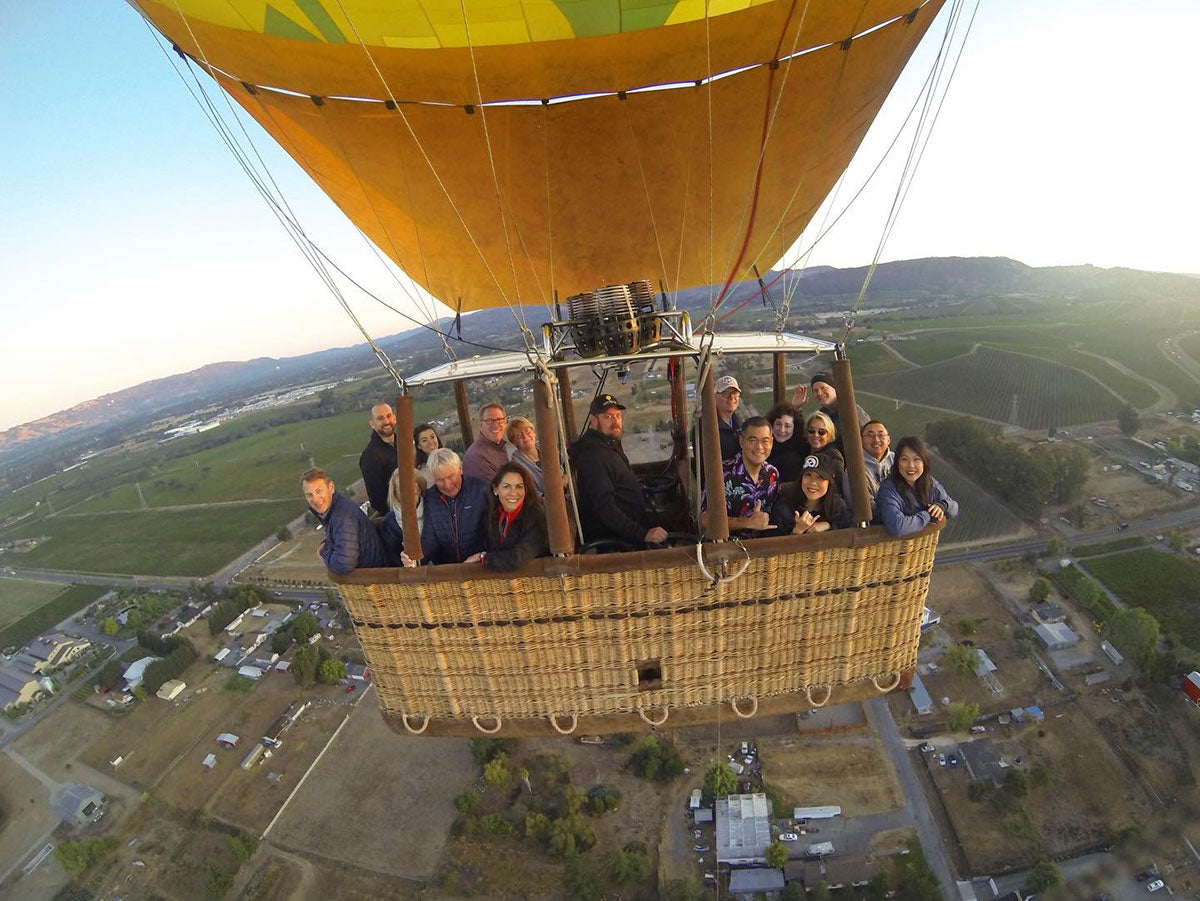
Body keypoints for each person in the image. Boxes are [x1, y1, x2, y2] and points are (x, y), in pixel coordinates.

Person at [568, 393, 668, 548]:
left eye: (618, 416)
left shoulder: (607, 445)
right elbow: (605, 509)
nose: (615, 422)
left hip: (630, 529)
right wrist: (643, 534)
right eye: (608, 417)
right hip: (618, 542)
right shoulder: (594, 456)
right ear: (593, 421)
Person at [301, 468, 387, 575]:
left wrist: (324, 553)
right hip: (371, 573)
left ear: (331, 487)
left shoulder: (343, 518)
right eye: (309, 495)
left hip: (372, 580)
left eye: (319, 491)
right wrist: (327, 542)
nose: (315, 499)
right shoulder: (335, 510)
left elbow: (343, 565)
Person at [719, 416, 793, 538]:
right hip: (731, 551)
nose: (759, 447)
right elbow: (706, 520)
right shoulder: (722, 474)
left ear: (771, 442)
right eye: (753, 440)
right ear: (741, 441)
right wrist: (747, 522)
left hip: (767, 548)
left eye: (765, 441)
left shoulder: (772, 474)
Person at [876, 436, 959, 538]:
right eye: (905, 459)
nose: (911, 465)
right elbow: (897, 527)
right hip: (891, 550)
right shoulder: (888, 489)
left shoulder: (929, 482)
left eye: (917, 459)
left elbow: (954, 507)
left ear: (924, 462)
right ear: (897, 463)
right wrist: (928, 515)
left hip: (922, 550)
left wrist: (942, 506)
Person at [420, 448, 489, 564]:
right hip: (448, 571)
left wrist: (484, 556)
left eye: (451, 476)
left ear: (460, 469)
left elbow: (494, 532)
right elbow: (429, 540)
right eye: (440, 480)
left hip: (480, 566)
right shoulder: (430, 498)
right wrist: (416, 561)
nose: (447, 485)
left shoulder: (481, 490)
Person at [479, 463, 549, 571]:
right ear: (495, 489)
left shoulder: (537, 517)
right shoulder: (491, 516)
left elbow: (518, 559)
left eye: (519, 487)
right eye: (506, 487)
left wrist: (483, 557)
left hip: (536, 583)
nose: (513, 493)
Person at [793, 372, 868, 455]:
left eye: (823, 388)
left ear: (835, 388)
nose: (819, 393)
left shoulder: (852, 411)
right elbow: (805, 437)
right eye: (815, 390)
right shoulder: (821, 414)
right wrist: (796, 409)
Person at [841, 420, 894, 517]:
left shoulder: (898, 460)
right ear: (860, 440)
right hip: (874, 526)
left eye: (881, 435)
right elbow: (864, 508)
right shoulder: (855, 468)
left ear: (888, 440)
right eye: (870, 435)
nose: (876, 439)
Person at [792, 455, 850, 534]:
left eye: (820, 477)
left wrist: (829, 526)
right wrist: (797, 531)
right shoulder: (786, 506)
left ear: (829, 483)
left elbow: (849, 533)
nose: (813, 482)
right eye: (808, 475)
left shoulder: (837, 506)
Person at [380, 468, 425, 567]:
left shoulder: (431, 508)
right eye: (402, 488)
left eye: (412, 485)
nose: (408, 492)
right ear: (395, 492)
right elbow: (391, 559)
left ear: (420, 487)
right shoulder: (389, 523)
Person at [358, 403, 398, 517]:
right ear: (372, 424)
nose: (386, 421)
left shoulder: (405, 442)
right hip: (398, 518)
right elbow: (377, 500)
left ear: (394, 418)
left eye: (389, 416)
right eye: (380, 418)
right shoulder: (370, 457)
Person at [463, 403, 511, 482]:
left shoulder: (498, 446)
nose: (495, 425)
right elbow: (493, 491)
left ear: (505, 422)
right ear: (481, 425)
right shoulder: (476, 457)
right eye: (489, 421)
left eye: (499, 420)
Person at [766, 402, 806, 482]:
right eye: (778, 424)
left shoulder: (798, 454)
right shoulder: (764, 447)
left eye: (787, 426)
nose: (782, 430)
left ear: (794, 428)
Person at [506, 416, 544, 497]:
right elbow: (528, 492)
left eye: (528, 432)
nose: (525, 437)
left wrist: (565, 478)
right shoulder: (515, 465)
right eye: (519, 436)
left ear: (534, 433)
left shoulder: (547, 448)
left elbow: (565, 465)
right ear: (514, 442)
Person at [802, 411, 846, 481]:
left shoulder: (834, 457)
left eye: (821, 432)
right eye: (811, 430)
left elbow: (838, 484)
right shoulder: (801, 450)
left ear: (829, 434)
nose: (816, 435)